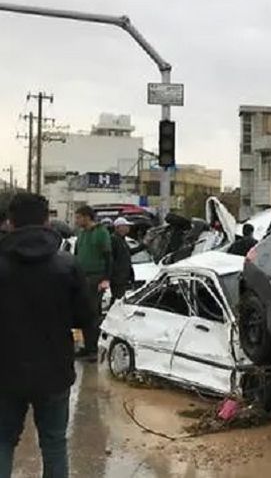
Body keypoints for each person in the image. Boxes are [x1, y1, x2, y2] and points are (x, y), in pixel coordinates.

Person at [0, 193, 93, 478]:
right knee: (54, 444)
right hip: (54, 371)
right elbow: (85, 317)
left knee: (3, 442)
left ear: (10, 223)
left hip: (5, 373)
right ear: (46, 220)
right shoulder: (67, 265)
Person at [74, 205, 112, 359]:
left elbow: (109, 257)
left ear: (86, 217)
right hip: (82, 277)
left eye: (78, 217)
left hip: (95, 277)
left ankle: (93, 349)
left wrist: (106, 279)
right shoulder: (81, 233)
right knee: (83, 313)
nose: (76, 220)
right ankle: (86, 346)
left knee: (92, 313)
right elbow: (77, 254)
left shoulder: (101, 232)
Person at [110, 217, 135, 300]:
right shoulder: (114, 239)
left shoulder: (122, 240)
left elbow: (128, 253)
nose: (128, 228)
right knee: (118, 298)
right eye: (125, 226)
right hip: (118, 277)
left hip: (124, 276)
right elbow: (111, 258)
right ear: (118, 227)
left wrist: (143, 245)